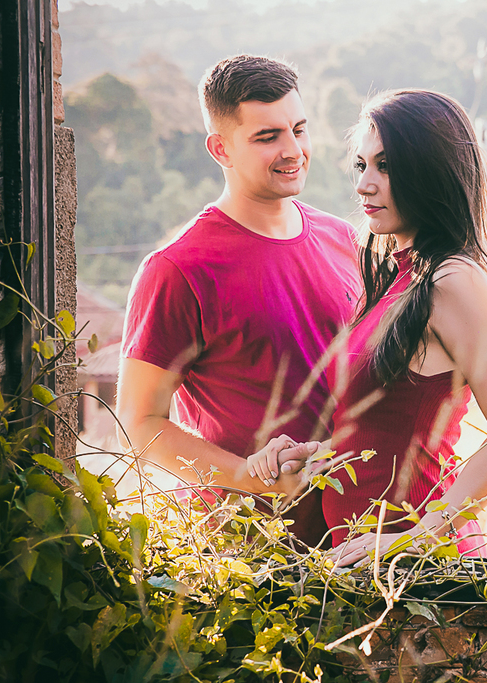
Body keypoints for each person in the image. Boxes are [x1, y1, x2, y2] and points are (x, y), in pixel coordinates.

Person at [249, 89, 487, 566]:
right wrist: (320, 455)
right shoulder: (398, 280)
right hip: (367, 568)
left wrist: (417, 539)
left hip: (421, 574)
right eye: (361, 166)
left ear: (431, 171)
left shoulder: (453, 280)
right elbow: (394, 429)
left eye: (386, 166)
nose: (365, 184)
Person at [117, 55, 362, 544]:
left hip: (359, 541)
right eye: (267, 137)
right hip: (249, 558)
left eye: (298, 128)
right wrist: (251, 477)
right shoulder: (177, 268)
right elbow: (140, 425)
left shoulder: (347, 240)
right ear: (220, 148)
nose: (293, 150)